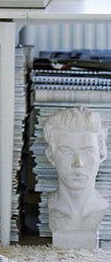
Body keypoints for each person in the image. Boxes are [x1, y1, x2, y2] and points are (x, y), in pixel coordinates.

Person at [43, 106, 109, 248]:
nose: (78, 163)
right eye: (66, 152)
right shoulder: (52, 206)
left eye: (88, 152)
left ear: (101, 154)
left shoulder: (103, 208)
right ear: (51, 156)